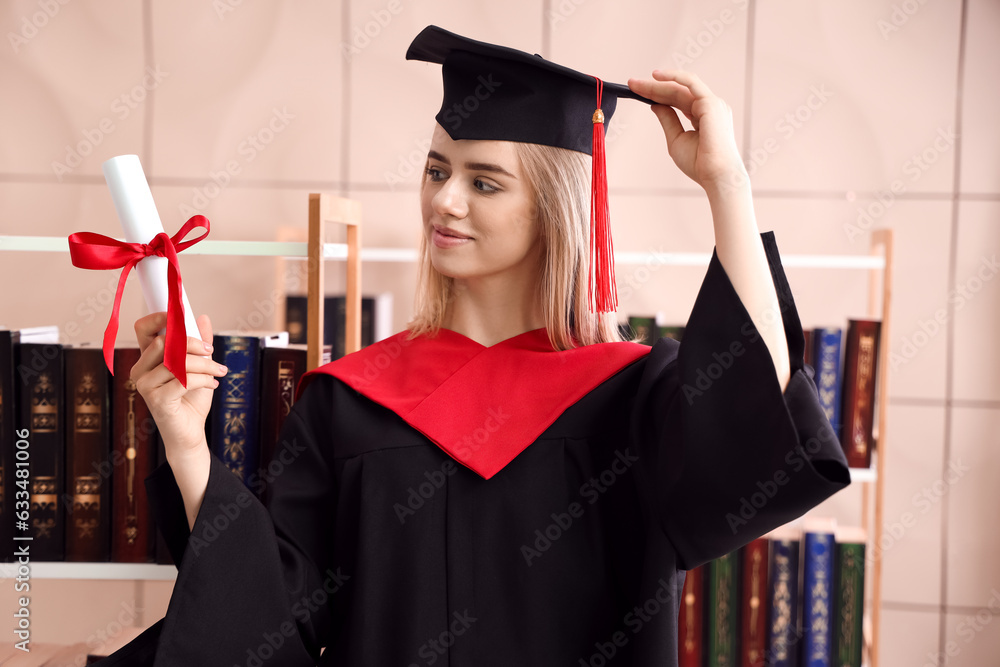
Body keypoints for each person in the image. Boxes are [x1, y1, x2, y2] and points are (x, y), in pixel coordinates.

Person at [95, 25, 850, 666]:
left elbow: (750, 425)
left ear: (556, 210)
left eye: (485, 182)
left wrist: (727, 183)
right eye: (436, 170)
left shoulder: (632, 396)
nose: (445, 201)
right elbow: (268, 625)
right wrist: (187, 442)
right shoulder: (347, 403)